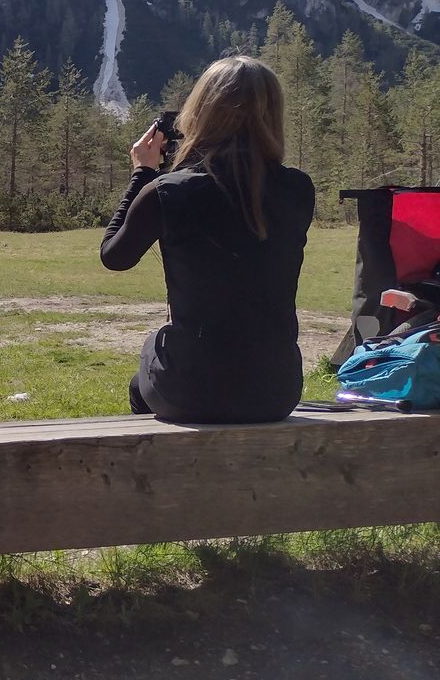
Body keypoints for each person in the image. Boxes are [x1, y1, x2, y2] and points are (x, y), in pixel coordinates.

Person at [100, 56, 315, 423]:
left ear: (201, 112)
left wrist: (143, 173)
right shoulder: (298, 188)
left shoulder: (168, 192)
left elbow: (114, 255)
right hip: (277, 389)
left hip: (193, 389)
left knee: (149, 363)